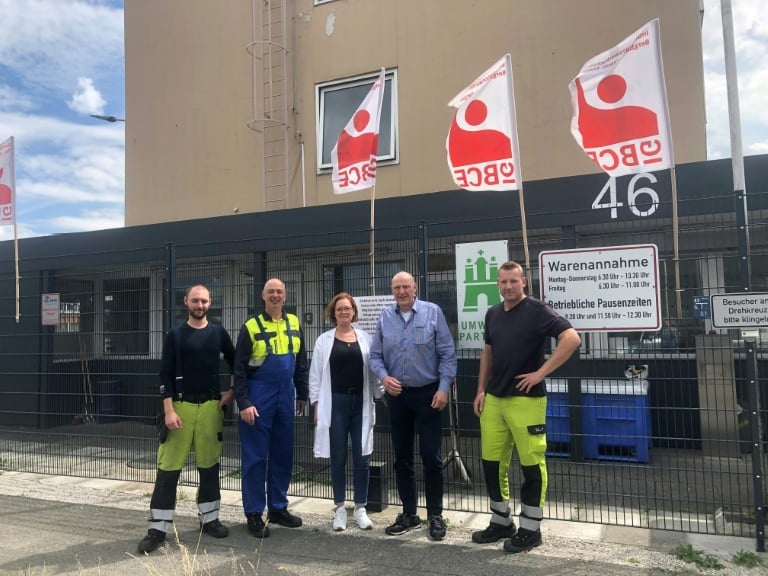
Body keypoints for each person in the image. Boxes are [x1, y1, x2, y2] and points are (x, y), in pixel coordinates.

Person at [472, 261, 581, 553]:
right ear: (497, 284)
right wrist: (480, 390)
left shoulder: (537, 310)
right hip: (494, 398)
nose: (508, 286)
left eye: (513, 281)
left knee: (532, 464)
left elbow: (572, 338)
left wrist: (540, 373)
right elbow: (487, 353)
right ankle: (501, 522)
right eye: (503, 282)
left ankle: (531, 530)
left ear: (523, 282)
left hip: (527, 399)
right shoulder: (492, 313)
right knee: (491, 462)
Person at [138, 284, 235, 554]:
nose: (200, 305)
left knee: (209, 466)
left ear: (210, 302)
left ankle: (210, 519)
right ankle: (157, 529)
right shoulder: (175, 335)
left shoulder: (218, 333)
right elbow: (165, 374)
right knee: (168, 468)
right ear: (186, 302)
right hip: (180, 407)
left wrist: (232, 391)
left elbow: (236, 361)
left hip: (211, 408)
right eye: (195, 300)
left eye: (204, 301)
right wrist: (169, 410)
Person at [369, 271, 457, 541]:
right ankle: (409, 513)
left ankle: (435, 515)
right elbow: (375, 355)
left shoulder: (433, 313)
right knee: (402, 457)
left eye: (406, 286)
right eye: (397, 287)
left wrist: (443, 388)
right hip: (398, 397)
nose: (401, 291)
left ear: (415, 287)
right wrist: (384, 377)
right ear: (392, 290)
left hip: (429, 395)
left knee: (431, 456)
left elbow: (448, 353)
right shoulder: (385, 317)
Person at [233, 278, 308, 538]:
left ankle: (278, 508)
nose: (275, 295)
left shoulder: (294, 322)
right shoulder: (251, 326)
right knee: (255, 457)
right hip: (258, 395)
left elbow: (301, 362)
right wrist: (244, 402)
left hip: (286, 395)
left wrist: (302, 393)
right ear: (263, 296)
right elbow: (239, 369)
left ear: (285, 296)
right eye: (271, 292)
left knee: (283, 453)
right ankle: (254, 513)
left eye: (279, 292)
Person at [309, 292, 383, 531]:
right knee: (338, 457)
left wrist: (380, 392)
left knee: (362, 457)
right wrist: (316, 405)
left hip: (360, 403)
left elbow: (373, 370)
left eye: (347, 308)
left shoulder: (365, 338)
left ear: (353, 312)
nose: (343, 312)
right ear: (333, 313)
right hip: (335, 404)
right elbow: (315, 375)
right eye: (339, 309)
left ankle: (360, 508)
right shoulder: (324, 340)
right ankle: (340, 509)